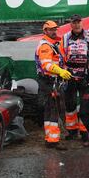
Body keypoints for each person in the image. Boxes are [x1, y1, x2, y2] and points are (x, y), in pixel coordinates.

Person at [35, 20, 72, 150]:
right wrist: (61, 71)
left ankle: (51, 138)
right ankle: (52, 140)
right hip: (48, 82)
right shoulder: (45, 46)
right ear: (45, 31)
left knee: (52, 110)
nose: (54, 31)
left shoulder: (53, 44)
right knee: (53, 110)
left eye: (55, 29)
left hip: (53, 81)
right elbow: (46, 65)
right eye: (51, 29)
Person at [59, 14, 89, 141]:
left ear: (82, 23)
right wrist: (63, 71)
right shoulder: (65, 38)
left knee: (84, 105)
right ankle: (72, 131)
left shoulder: (88, 36)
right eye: (74, 22)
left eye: (79, 22)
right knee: (70, 104)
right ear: (70, 24)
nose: (77, 24)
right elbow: (61, 55)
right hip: (70, 76)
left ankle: (85, 131)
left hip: (85, 76)